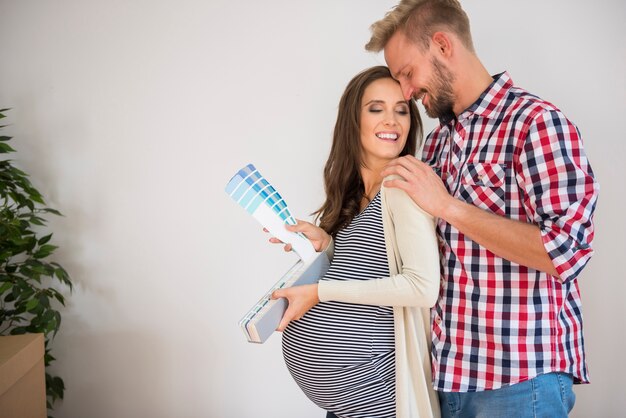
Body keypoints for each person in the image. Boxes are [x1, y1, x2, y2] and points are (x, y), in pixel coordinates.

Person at [364, 1, 600, 417]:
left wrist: (448, 207)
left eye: (406, 73)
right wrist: (324, 245)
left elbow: (567, 250)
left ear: (441, 45)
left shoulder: (535, 123)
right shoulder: (438, 144)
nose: (405, 91)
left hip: (520, 382)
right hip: (448, 379)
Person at [270, 66, 442, 418]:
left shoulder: (403, 186)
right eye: (376, 109)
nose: (391, 121)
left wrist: (319, 292)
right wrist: (327, 245)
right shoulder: (353, 198)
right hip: (347, 409)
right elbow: (371, 266)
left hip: (383, 404)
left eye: (401, 110)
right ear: (353, 121)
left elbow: (421, 287)